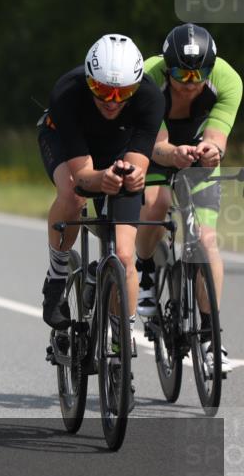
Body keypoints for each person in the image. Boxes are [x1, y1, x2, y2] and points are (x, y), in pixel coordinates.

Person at [37, 34, 164, 343]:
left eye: (123, 93)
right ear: (89, 80)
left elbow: (139, 166)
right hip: (66, 142)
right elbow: (82, 175)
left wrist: (131, 178)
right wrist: (100, 179)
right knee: (72, 194)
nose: (111, 101)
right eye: (102, 90)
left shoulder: (150, 97)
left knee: (123, 256)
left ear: (136, 87)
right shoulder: (67, 92)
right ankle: (56, 276)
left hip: (117, 149)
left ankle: (123, 339)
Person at [135, 23, 241, 365]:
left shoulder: (228, 80)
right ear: (168, 66)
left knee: (206, 240)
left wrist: (212, 151)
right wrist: (172, 155)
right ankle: (146, 269)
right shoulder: (148, 78)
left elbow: (217, 139)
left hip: (195, 153)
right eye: (181, 72)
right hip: (155, 149)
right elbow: (157, 146)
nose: (189, 82)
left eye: (198, 74)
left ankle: (211, 338)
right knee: (158, 202)